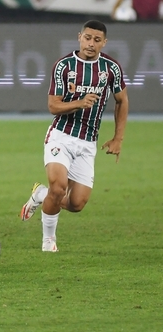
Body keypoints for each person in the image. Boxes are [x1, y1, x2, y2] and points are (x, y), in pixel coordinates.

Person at [19, 20, 129, 252]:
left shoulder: (111, 68)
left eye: (97, 40)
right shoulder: (64, 66)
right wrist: (80, 102)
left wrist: (118, 138)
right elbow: (53, 106)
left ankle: (40, 194)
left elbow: (122, 100)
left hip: (88, 142)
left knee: (77, 203)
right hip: (61, 136)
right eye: (87, 38)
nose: (91, 43)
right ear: (79, 37)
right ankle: (48, 241)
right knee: (58, 188)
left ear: (104, 43)